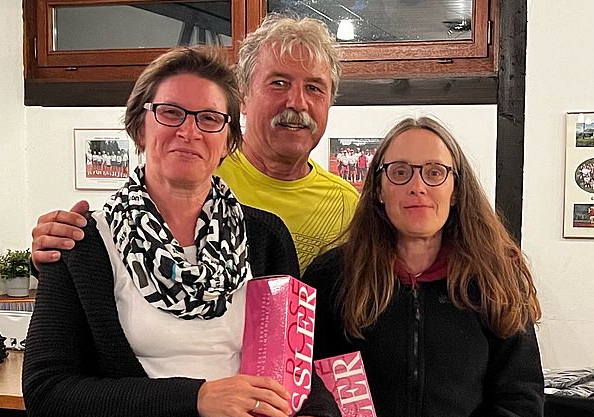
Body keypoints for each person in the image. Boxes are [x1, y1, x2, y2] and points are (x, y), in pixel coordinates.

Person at [22, 46, 340, 417]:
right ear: (139, 125)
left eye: (210, 118)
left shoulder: (265, 238)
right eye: (170, 112)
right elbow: (49, 396)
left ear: (229, 138)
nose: (188, 131)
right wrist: (198, 398)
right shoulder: (81, 243)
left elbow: (300, 364)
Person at [301, 116, 545, 417]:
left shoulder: (495, 280)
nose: (418, 186)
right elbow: (302, 395)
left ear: (456, 188)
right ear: (377, 189)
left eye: (435, 172)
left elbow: (519, 405)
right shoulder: (332, 278)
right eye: (400, 172)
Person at [32, 15, 359, 273]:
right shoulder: (196, 170)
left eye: (314, 88)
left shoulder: (348, 207)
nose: (297, 102)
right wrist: (60, 251)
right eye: (279, 83)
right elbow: (118, 249)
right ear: (243, 97)